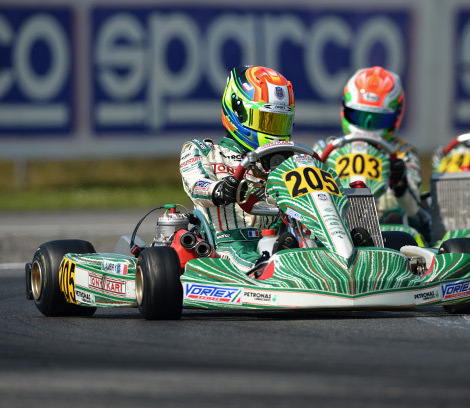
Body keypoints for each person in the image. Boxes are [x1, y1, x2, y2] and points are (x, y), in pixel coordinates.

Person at [180, 65, 297, 273]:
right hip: (228, 243)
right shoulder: (203, 151)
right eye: (266, 121)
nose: (274, 132)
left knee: (303, 244)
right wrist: (220, 189)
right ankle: (268, 270)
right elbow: (196, 184)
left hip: (280, 236)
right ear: (238, 113)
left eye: (279, 123)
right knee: (247, 255)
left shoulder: (290, 161)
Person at [313, 66, 422, 224]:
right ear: (346, 109)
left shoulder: (402, 154)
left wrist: (400, 183)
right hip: (335, 226)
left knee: (397, 221)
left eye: (378, 119)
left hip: (387, 231)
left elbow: (412, 209)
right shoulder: (325, 150)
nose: (367, 126)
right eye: (360, 116)